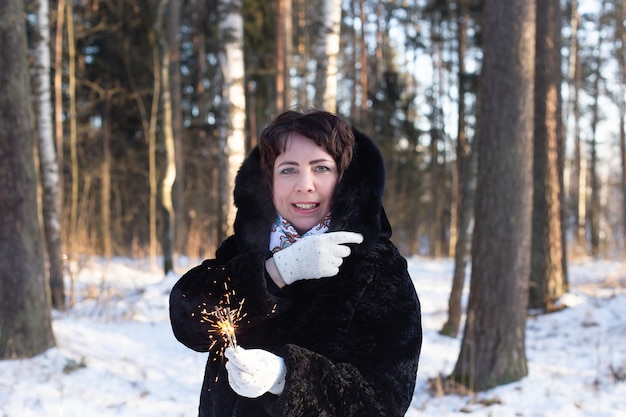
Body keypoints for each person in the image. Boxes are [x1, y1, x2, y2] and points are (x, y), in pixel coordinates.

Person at [169, 109, 422, 417]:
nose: (305, 184)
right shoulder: (245, 249)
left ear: (342, 179)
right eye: (288, 170)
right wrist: (276, 272)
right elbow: (189, 320)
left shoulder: (377, 268)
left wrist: (285, 377)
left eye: (321, 169)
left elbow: (382, 403)